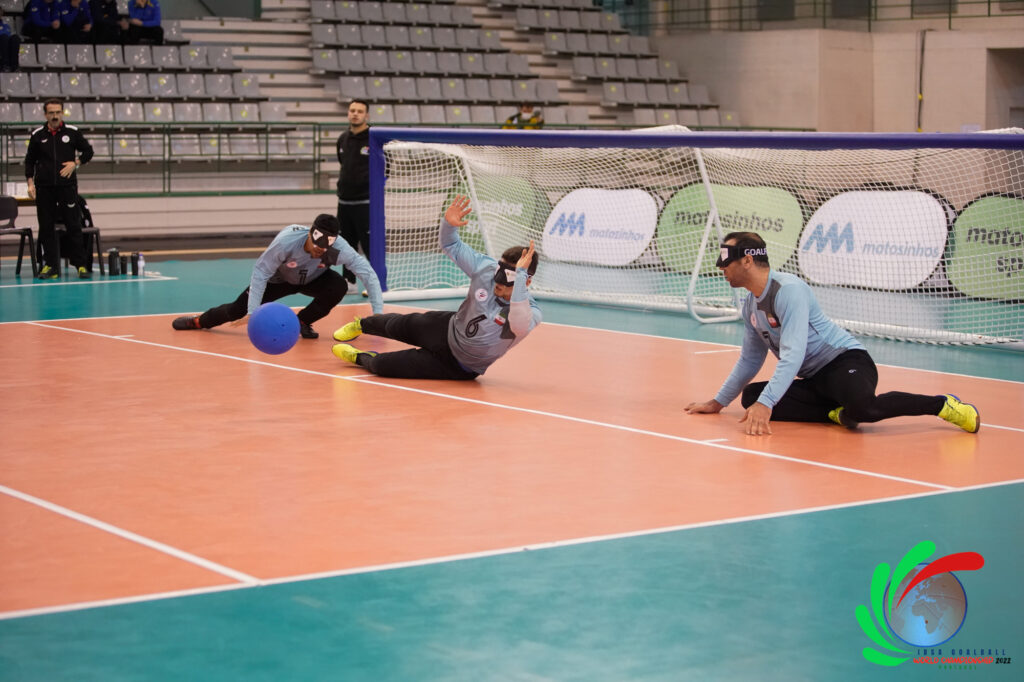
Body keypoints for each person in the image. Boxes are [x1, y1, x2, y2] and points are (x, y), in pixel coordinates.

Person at [684, 232, 980, 435]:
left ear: (747, 260)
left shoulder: (790, 291)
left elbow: (793, 352)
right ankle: (834, 413)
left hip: (845, 362)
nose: (722, 269)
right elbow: (750, 360)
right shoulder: (750, 303)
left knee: (864, 408)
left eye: (727, 262)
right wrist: (718, 402)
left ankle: (943, 405)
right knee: (751, 397)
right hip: (814, 379)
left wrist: (769, 403)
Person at [332, 195, 542, 380]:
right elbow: (451, 245)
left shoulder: (530, 313)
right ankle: (362, 325)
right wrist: (448, 226)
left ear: (526, 281)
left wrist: (520, 276)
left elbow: (519, 324)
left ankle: (356, 355)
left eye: (508, 276)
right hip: (446, 327)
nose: (498, 279)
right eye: (499, 269)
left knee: (382, 366)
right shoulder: (486, 269)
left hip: (460, 367)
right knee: (397, 324)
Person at [171, 214, 384, 339]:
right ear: (310, 233)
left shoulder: (340, 248)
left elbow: (368, 274)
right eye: (316, 245)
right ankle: (199, 322)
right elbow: (261, 272)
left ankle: (302, 321)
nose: (319, 250)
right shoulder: (286, 242)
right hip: (279, 280)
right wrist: (253, 313)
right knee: (237, 309)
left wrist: (378, 313)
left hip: (313, 278)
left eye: (324, 248)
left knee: (339, 286)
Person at [25, 98, 94, 280]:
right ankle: (51, 266)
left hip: (67, 187)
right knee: (46, 227)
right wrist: (30, 184)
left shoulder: (72, 132)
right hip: (44, 188)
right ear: (45, 114)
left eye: (58, 112)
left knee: (74, 226)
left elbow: (88, 152)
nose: (55, 116)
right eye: (51, 113)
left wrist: (76, 163)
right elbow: (29, 161)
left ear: (62, 113)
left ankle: (80, 265)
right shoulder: (38, 135)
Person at [335, 99, 370, 287]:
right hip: (344, 202)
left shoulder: (374, 139)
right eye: (352, 110)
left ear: (367, 115)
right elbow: (343, 164)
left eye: (360, 111)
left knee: (369, 246)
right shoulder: (342, 139)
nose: (355, 113)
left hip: (365, 202)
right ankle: (348, 282)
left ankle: (375, 282)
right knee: (345, 245)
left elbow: (386, 170)